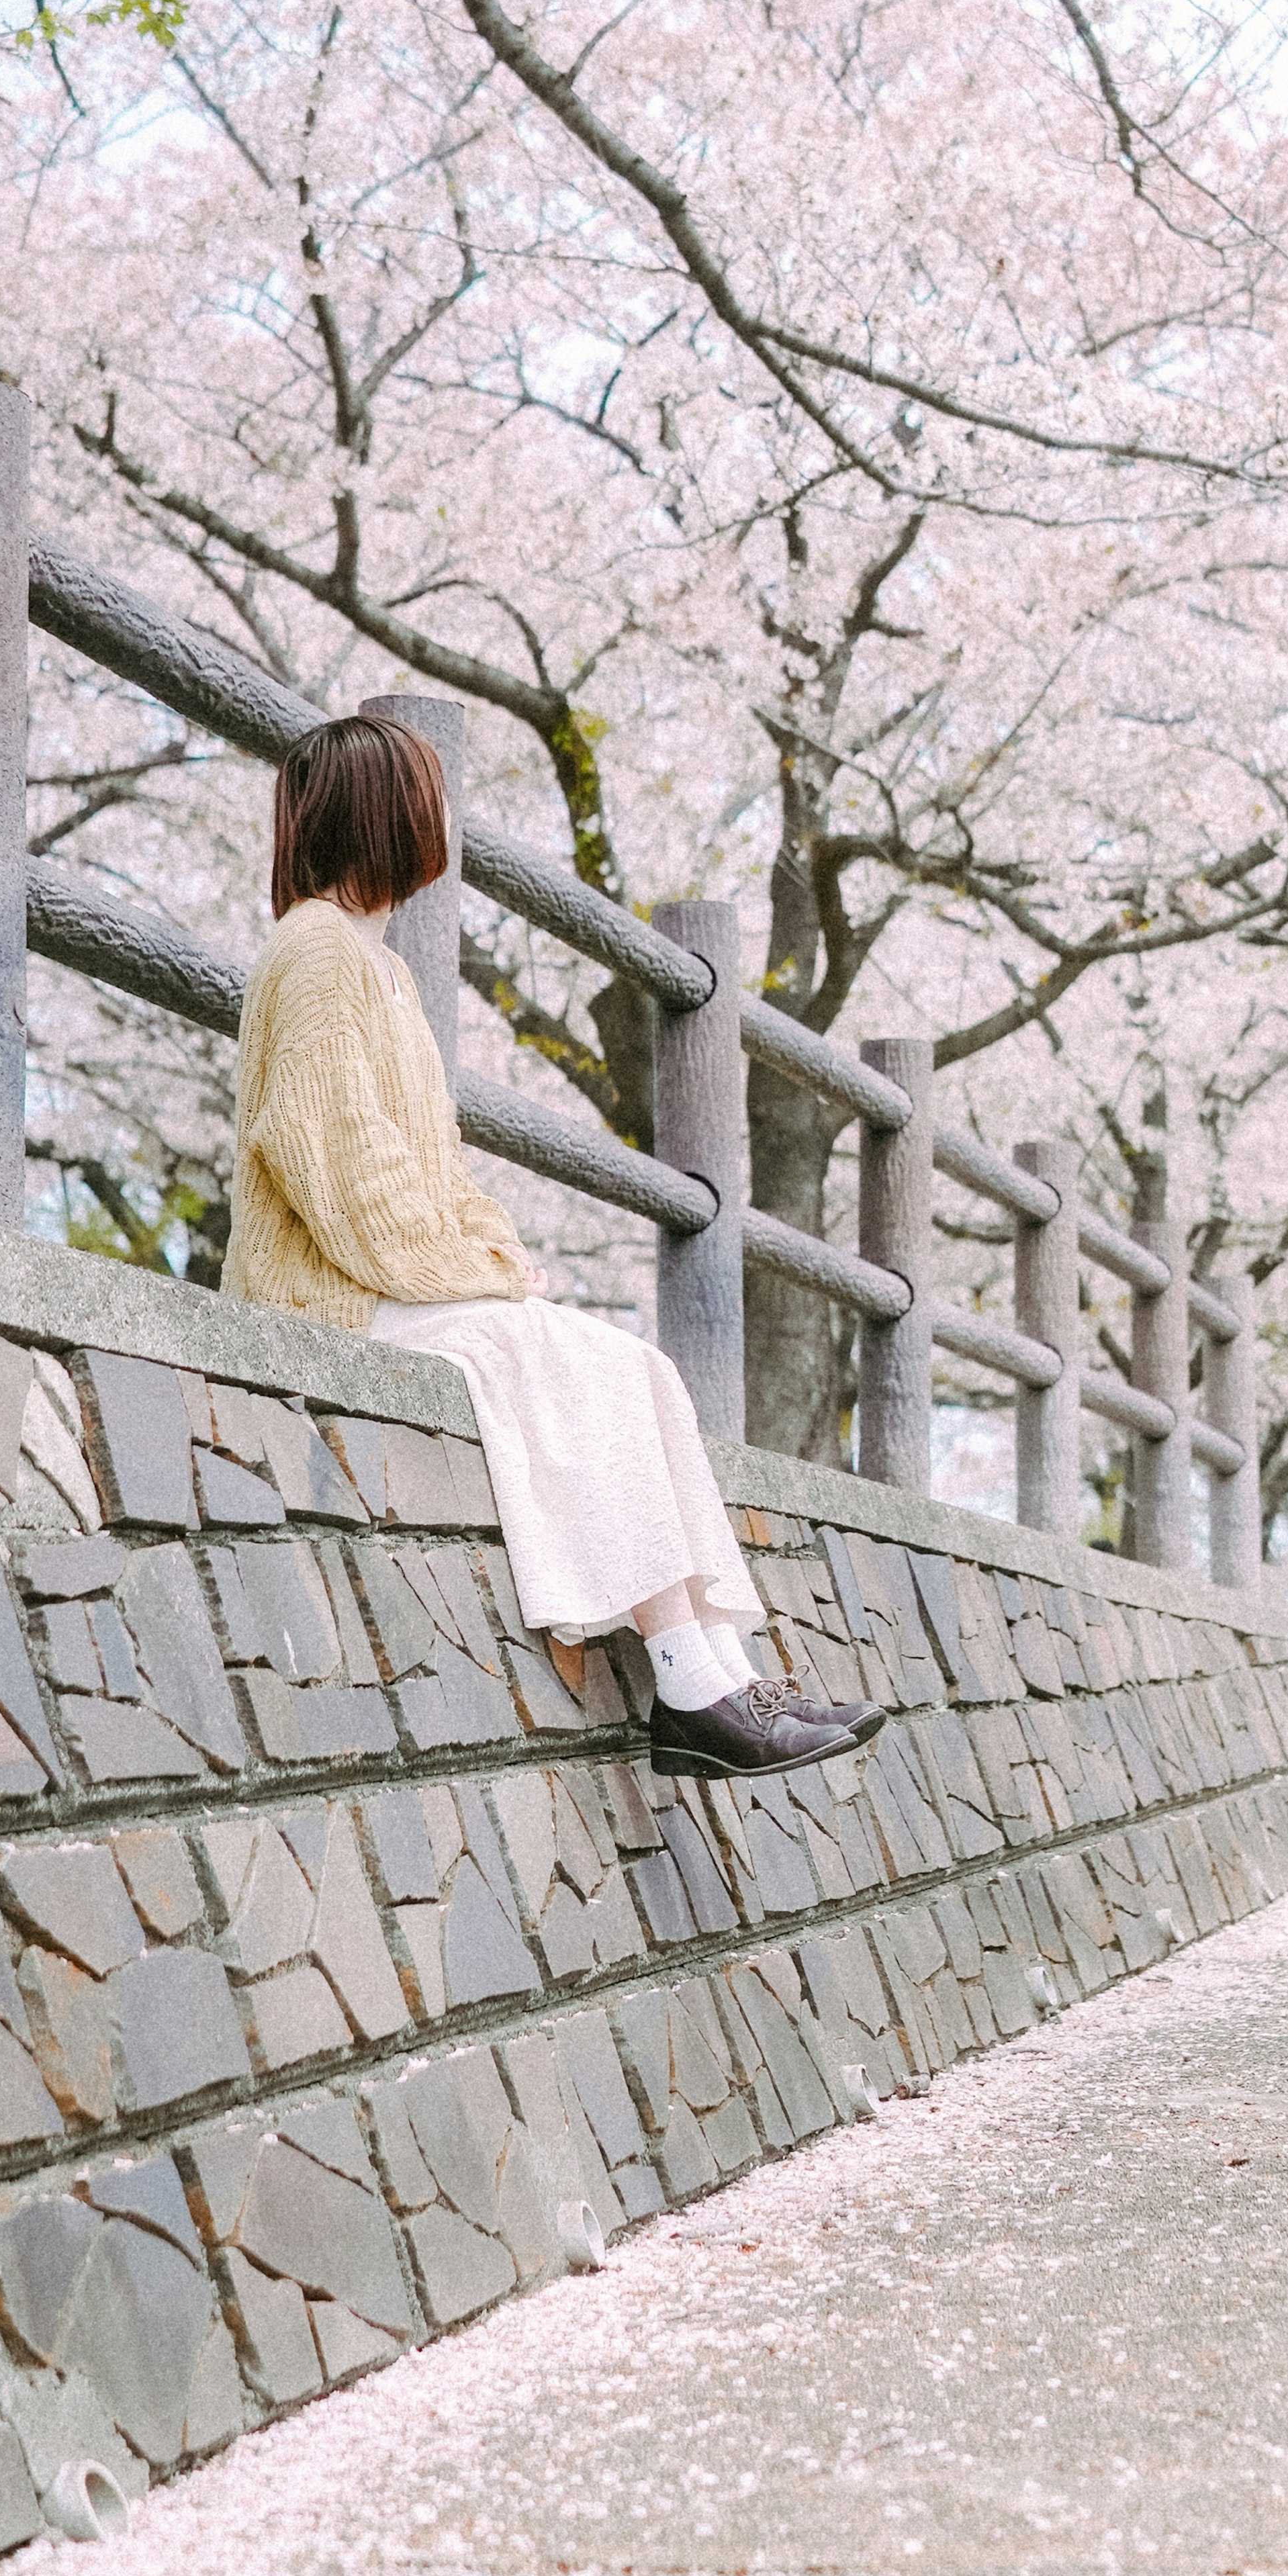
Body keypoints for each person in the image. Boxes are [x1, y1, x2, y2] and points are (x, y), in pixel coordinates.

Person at [227, 710, 880, 1783]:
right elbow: (329, 1157)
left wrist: (496, 1255)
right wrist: (474, 1272)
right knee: (564, 1359)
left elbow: (430, 1169)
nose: (444, 821)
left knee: (630, 1364)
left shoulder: (371, 967)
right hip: (321, 1290)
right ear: (390, 815)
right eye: (428, 800)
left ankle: (718, 1666)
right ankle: (694, 1684)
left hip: (379, 1275)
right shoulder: (316, 953)